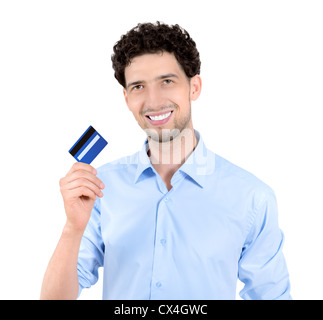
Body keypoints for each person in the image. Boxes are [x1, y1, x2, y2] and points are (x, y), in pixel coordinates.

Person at [40, 22, 291, 300]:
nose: (153, 100)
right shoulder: (100, 188)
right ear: (126, 98)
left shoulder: (252, 197)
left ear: (194, 87)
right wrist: (72, 228)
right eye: (138, 86)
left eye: (167, 81)